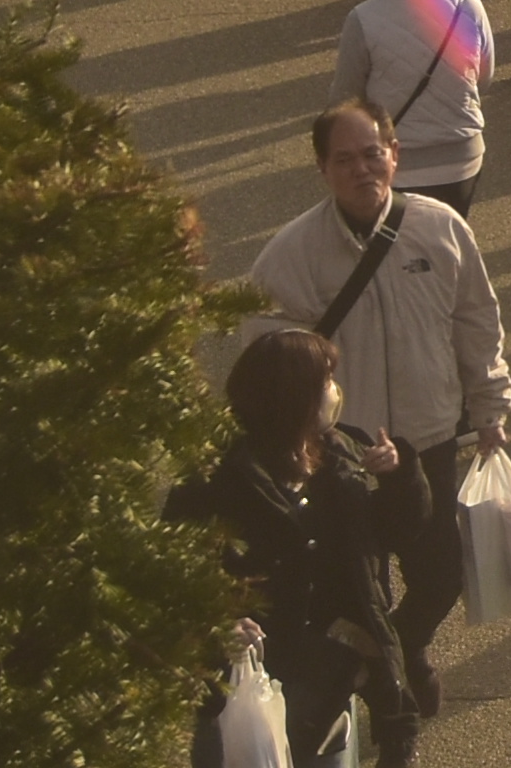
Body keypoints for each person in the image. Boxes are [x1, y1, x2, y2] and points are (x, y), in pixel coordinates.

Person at [238, 99, 511, 724]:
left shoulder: (440, 228)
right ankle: (392, 682)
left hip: (428, 435)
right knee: (363, 586)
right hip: (340, 451)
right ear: (322, 170)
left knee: (442, 572)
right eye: (344, 159)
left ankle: (397, 650)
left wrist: (491, 404)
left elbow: (477, 318)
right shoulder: (293, 252)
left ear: (395, 155)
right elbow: (263, 343)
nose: (362, 169)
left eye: (372, 154)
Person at [173, 328, 412, 768]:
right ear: (291, 395)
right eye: (323, 382)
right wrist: (218, 621)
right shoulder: (216, 477)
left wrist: (398, 477)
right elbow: (175, 569)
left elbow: (394, 533)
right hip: (256, 676)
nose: (331, 393)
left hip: (331, 671)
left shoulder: (338, 452)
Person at [335, 0, 496, 208]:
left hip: (396, 163)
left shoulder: (364, 18)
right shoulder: (468, 6)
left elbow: (345, 100)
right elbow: (484, 79)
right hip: (462, 155)